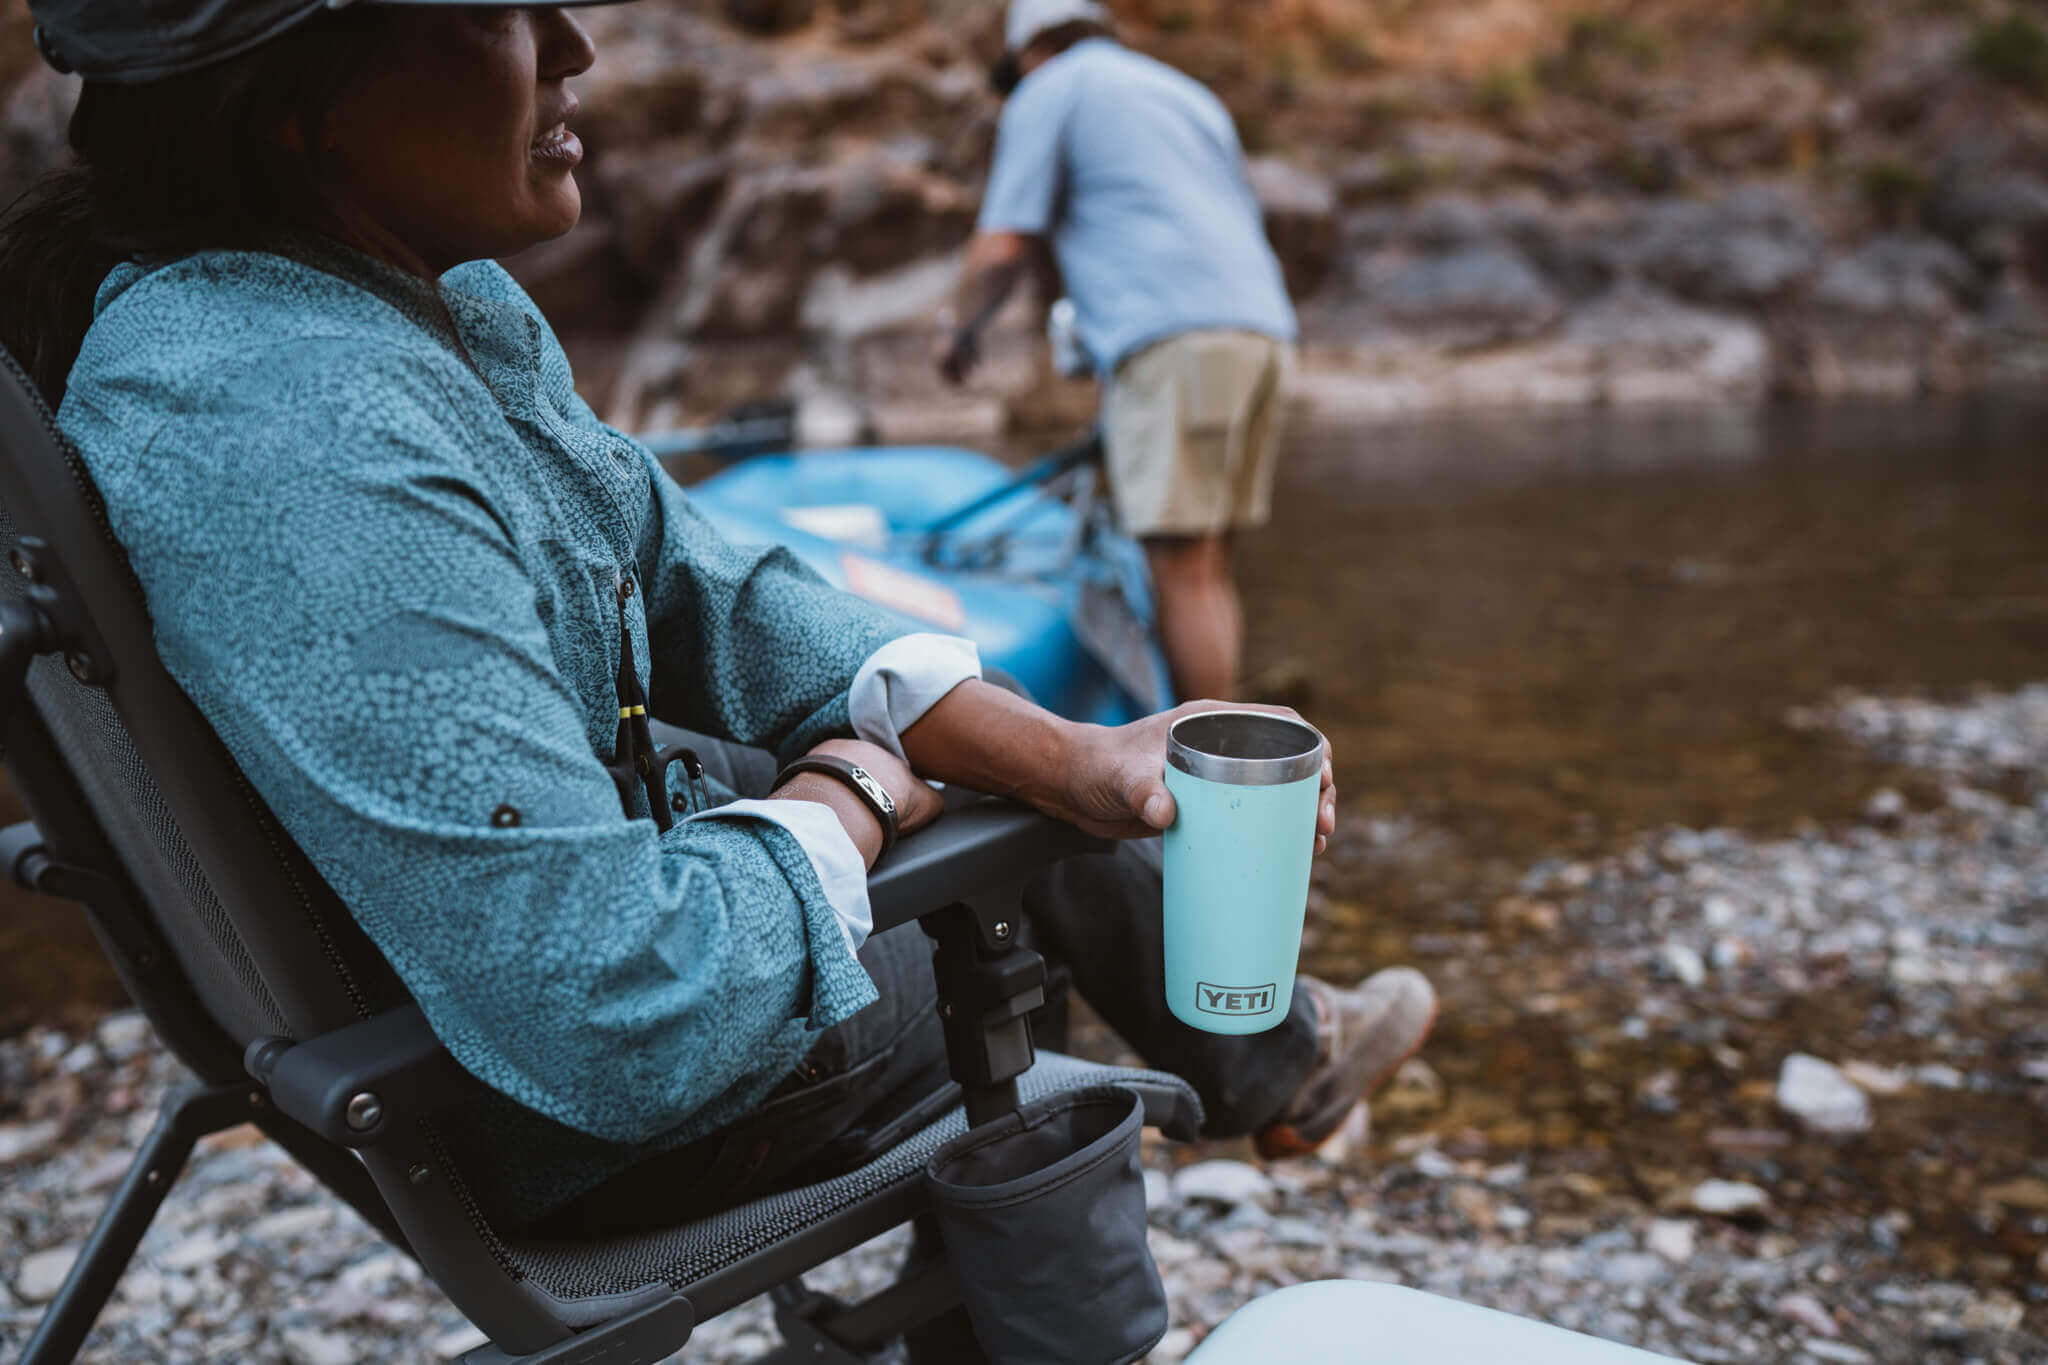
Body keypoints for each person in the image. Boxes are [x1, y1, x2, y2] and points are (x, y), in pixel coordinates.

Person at [1, 0, 1432, 1303]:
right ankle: (1212, 1137)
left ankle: (1260, 1060)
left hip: (484, 993)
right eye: (504, 11)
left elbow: (696, 579)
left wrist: (1076, 749)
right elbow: (608, 1002)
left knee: (1023, 784)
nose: (574, 45)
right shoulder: (302, 433)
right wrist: (844, 803)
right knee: (1009, 907)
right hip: (532, 1101)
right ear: (291, 105)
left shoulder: (398, 309)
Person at [939, 0, 1300, 704]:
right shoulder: (1183, 91)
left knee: (1182, 568)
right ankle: (1220, 738)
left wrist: (958, 329)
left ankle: (1208, 772)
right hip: (1261, 334)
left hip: (1175, 343)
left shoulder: (1051, 89)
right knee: (1207, 565)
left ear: (1030, 50)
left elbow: (1003, 243)